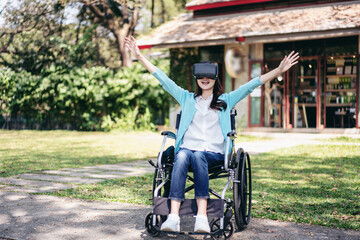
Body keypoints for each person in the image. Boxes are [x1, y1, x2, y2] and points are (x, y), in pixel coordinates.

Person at [125, 36, 299, 233]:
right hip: (187, 152)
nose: (204, 80)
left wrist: (278, 71)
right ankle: (173, 217)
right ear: (197, 79)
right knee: (180, 155)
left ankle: (202, 217)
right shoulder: (187, 98)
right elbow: (163, 79)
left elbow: (251, 84)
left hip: (214, 155)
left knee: (198, 155)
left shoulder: (226, 100)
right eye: (200, 77)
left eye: (208, 77)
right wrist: (139, 56)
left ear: (215, 78)